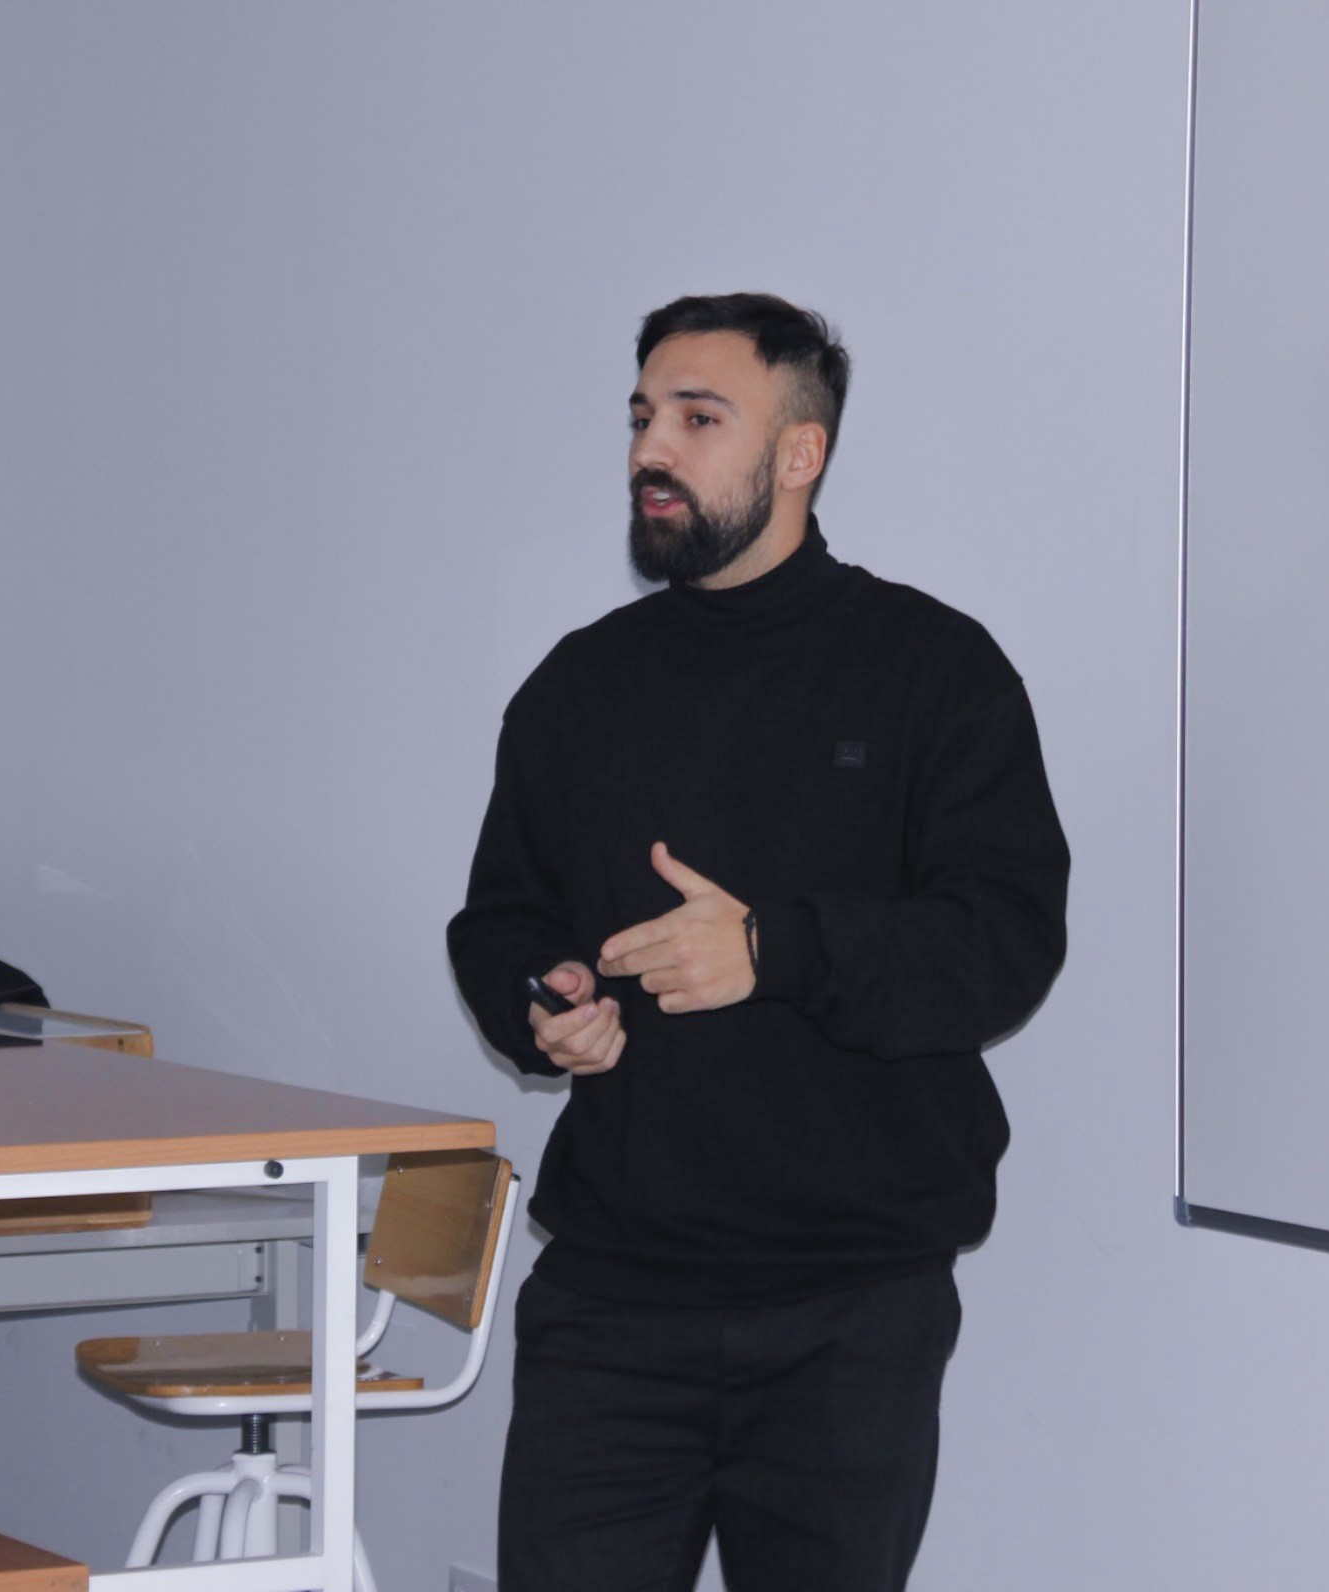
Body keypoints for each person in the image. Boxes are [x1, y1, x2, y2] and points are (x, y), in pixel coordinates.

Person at [446, 293, 1070, 1590]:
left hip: (850, 1311)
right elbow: (502, 916)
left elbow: (1003, 943)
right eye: (641, 417)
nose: (649, 450)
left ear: (800, 453)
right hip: (612, 1303)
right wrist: (541, 998)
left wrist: (774, 952)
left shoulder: (935, 672)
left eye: (697, 419)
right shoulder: (581, 685)